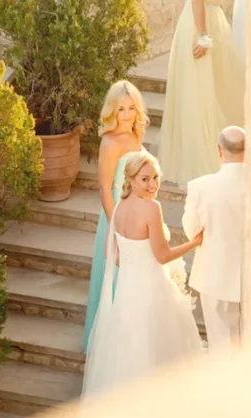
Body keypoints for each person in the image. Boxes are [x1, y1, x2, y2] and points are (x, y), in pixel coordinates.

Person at [82, 151, 204, 399]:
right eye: (145, 179)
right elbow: (162, 256)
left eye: (156, 177)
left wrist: (134, 263)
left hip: (127, 291)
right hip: (152, 290)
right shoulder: (151, 208)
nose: (152, 185)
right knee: (162, 348)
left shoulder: (119, 206)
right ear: (132, 179)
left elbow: (110, 252)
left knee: (131, 349)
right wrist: (195, 242)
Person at [83, 80, 149, 353]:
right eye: (121, 109)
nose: (127, 115)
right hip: (118, 217)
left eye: (132, 108)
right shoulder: (109, 142)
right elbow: (104, 188)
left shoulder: (136, 135)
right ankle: (110, 346)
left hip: (139, 215)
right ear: (112, 110)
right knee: (117, 276)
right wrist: (117, 229)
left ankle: (132, 340)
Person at [157, 0, 245, 186]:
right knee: (199, 94)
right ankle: (200, 155)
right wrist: (202, 35)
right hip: (199, 26)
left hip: (212, 21)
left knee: (218, 90)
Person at [182, 126, 246, 349]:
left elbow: (192, 231)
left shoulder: (200, 187)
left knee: (221, 344)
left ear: (219, 150)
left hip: (215, 273)